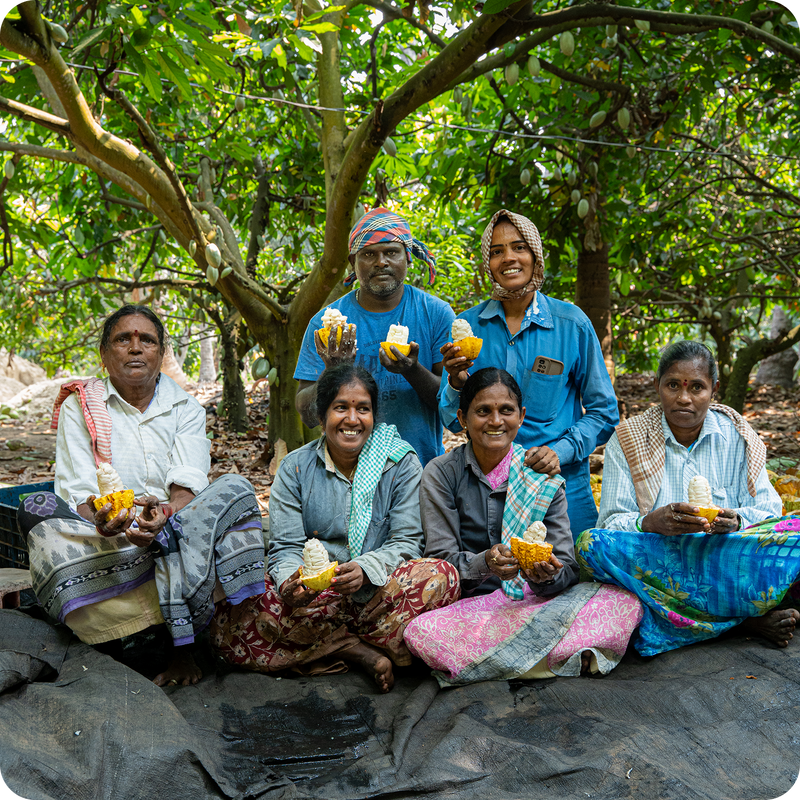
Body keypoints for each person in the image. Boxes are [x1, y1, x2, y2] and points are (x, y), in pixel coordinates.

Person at [18, 305, 266, 686]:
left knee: (236, 491)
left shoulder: (185, 407)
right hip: (107, 535)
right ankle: (119, 635)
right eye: (123, 339)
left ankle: (181, 645)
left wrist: (162, 517)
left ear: (161, 354)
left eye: (146, 340)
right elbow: (79, 494)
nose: (135, 348)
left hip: (175, 525)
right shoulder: (79, 407)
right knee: (36, 511)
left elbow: (187, 487)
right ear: (105, 354)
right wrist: (107, 521)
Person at [211, 364, 460, 692]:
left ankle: (325, 649)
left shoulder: (401, 463)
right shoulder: (295, 468)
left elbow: (407, 541)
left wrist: (364, 569)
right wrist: (291, 582)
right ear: (322, 413)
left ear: (374, 415)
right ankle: (357, 650)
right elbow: (285, 546)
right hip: (312, 600)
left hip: (378, 595)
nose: (353, 420)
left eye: (363, 409)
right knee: (227, 626)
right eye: (341, 407)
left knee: (442, 578)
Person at [403, 368, 642, 686]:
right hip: (470, 612)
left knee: (623, 601)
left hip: (534, 604)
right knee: (420, 632)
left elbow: (567, 568)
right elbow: (439, 561)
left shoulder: (541, 476)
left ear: (521, 416)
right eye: (483, 411)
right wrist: (487, 562)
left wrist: (545, 576)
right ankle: (554, 657)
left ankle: (496, 663)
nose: (495, 421)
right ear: (462, 417)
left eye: (506, 410)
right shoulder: (441, 473)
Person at [578, 340, 800, 657]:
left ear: (714, 390)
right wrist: (649, 522)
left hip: (728, 555)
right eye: (673, 385)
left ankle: (695, 620)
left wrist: (737, 521)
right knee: (590, 545)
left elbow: (769, 511)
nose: (684, 398)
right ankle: (743, 620)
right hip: (663, 559)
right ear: (657, 386)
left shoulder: (736, 435)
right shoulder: (627, 439)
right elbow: (611, 522)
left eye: (697, 387)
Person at [439, 209, 618, 540]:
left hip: (562, 482)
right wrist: (455, 382)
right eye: (496, 251)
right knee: (492, 583)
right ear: (487, 263)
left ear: (535, 256)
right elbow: (452, 419)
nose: (509, 258)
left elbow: (604, 412)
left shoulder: (571, 324)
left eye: (519, 247)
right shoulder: (469, 327)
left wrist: (560, 451)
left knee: (576, 579)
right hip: (487, 488)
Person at [294, 207, 455, 466]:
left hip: (418, 470)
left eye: (391, 252)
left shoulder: (436, 314)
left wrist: (412, 371)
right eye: (368, 254)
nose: (381, 262)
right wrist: (333, 369)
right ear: (353, 262)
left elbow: (452, 406)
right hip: (345, 473)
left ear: (408, 258)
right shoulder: (325, 323)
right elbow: (307, 414)